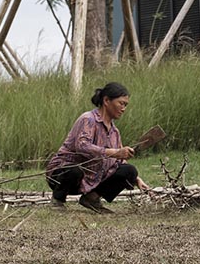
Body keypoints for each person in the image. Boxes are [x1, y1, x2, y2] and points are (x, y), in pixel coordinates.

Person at [45, 81, 149, 213]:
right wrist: (114, 152)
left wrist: (137, 179)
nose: (124, 108)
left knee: (129, 170)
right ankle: (58, 200)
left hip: (92, 179)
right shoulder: (88, 119)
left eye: (126, 105)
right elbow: (82, 146)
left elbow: (120, 160)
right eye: (121, 103)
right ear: (106, 100)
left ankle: (91, 198)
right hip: (65, 176)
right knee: (73, 170)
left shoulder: (114, 132)